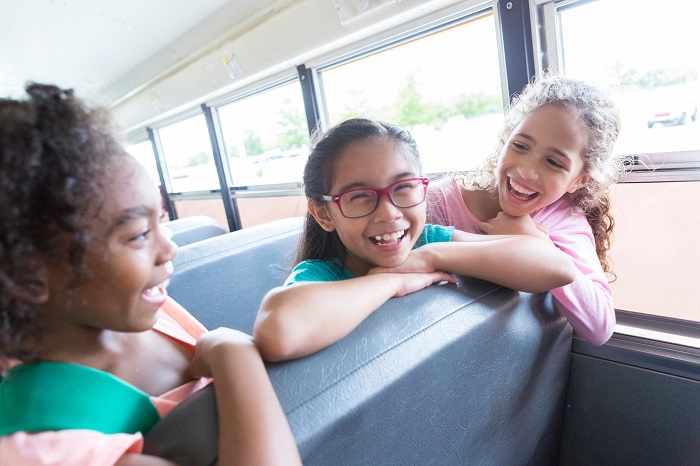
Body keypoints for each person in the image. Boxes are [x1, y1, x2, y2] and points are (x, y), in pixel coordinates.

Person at [0, 84, 301, 465]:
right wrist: (234, 355)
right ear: (29, 274)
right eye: (139, 234)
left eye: (161, 220)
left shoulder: (150, 307)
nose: (169, 249)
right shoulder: (41, 443)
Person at [254, 118, 577, 362]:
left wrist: (431, 257)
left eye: (403, 187)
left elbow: (557, 267)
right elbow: (278, 331)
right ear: (324, 214)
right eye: (359, 196)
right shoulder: (322, 276)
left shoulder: (430, 242)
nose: (389, 213)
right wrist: (389, 284)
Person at [427, 74, 624, 346]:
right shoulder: (438, 202)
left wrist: (538, 243)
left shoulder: (561, 219)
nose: (525, 171)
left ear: (579, 180)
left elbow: (599, 327)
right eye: (520, 146)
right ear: (505, 140)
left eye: (554, 162)